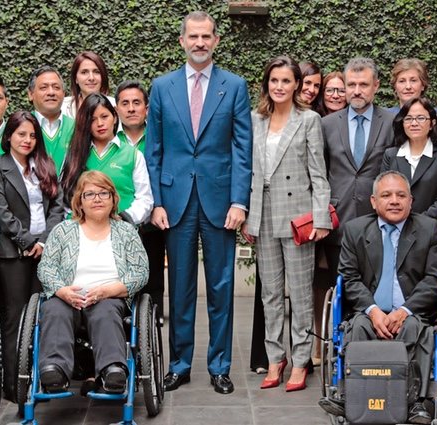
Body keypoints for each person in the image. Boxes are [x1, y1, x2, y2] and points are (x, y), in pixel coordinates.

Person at [145, 11, 252, 395]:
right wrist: (156, 202)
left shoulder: (234, 86)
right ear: (182, 41)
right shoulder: (162, 87)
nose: (200, 43)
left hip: (221, 200)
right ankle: (179, 364)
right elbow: (153, 150)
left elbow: (242, 149)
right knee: (181, 286)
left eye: (207, 36)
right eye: (194, 37)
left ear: (217, 41)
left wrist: (240, 201)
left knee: (222, 287)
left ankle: (220, 366)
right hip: (174, 201)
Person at [319, 171, 437, 424]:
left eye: (401, 195)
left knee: (413, 329)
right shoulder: (355, 230)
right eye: (386, 195)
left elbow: (434, 280)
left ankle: (415, 402)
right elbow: (349, 278)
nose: (394, 201)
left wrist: (403, 311)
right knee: (358, 329)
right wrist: (374, 310)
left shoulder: (428, 229)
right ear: (374, 202)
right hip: (369, 310)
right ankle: (348, 396)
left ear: (411, 200)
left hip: (411, 311)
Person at [241, 56, 330, 392]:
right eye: (274, 81)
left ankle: (301, 360)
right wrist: (248, 216)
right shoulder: (255, 120)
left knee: (302, 294)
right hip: (262, 215)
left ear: (297, 85)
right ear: (267, 84)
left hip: (297, 217)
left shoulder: (309, 120)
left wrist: (320, 218)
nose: (279, 87)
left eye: (286, 81)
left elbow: (318, 174)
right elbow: (250, 173)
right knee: (271, 295)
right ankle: (275, 358)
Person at [37, 170, 148, 394]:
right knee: (55, 310)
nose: (97, 199)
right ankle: (55, 369)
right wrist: (62, 291)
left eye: (103, 193)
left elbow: (140, 271)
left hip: (110, 296)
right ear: (79, 201)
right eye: (89, 194)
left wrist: (109, 291)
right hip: (69, 296)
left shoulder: (126, 232)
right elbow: (46, 267)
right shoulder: (63, 231)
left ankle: (112, 369)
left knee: (105, 312)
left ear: (113, 199)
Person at [0, 111, 64, 402]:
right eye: (21, 134)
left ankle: (40, 377)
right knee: (16, 318)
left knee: (43, 314)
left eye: (32, 135)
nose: (27, 140)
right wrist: (27, 240)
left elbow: (58, 205)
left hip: (44, 252)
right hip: (13, 254)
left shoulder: (44, 165)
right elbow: (1, 211)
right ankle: (13, 384)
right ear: (9, 136)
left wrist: (43, 242)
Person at [321, 57, 395, 276]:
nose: (356, 91)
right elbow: (320, 172)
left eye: (363, 85)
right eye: (351, 85)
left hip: (378, 221)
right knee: (340, 291)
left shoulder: (391, 123)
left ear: (376, 86)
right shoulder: (327, 124)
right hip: (338, 220)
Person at [114, 80, 165, 319]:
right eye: (125, 103)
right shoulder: (109, 140)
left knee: (152, 284)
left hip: (152, 225)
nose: (131, 108)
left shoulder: (160, 138)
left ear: (146, 108)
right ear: (117, 109)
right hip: (116, 225)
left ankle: (150, 330)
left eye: (137, 103)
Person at [61, 93, 152, 225]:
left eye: (104, 117)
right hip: (83, 232)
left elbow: (145, 198)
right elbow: (65, 197)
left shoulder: (133, 155)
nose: (100, 123)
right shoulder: (75, 154)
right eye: (92, 119)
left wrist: (124, 219)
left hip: (123, 230)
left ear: (114, 117)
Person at [381, 97, 437, 221]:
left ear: (432, 124)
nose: (414, 123)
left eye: (421, 118)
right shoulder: (390, 155)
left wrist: (418, 224)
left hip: (431, 228)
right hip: (395, 226)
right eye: (408, 118)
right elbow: (383, 193)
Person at [28, 66, 76, 172]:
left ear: (64, 94)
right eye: (43, 87)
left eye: (56, 87)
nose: (51, 92)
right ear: (31, 94)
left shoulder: (76, 128)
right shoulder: (20, 127)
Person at [61, 51, 115, 119]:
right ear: (76, 78)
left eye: (96, 72)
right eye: (84, 72)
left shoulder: (114, 105)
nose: (91, 78)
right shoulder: (63, 107)